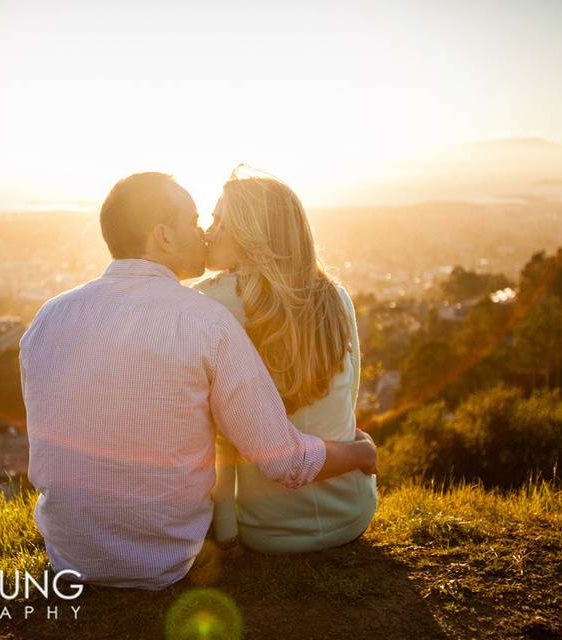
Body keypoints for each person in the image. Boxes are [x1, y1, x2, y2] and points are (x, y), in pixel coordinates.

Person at [19, 172, 377, 589]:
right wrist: (361, 454)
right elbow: (282, 458)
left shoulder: (48, 317)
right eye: (193, 220)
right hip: (165, 559)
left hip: (68, 553)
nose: (204, 232)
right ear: (164, 237)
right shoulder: (206, 320)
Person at [195, 174, 377, 554]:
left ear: (249, 233)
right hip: (353, 513)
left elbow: (218, 434)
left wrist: (225, 528)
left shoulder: (210, 305)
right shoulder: (336, 296)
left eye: (219, 222)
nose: (209, 232)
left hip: (269, 529)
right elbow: (348, 398)